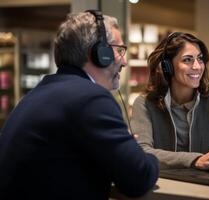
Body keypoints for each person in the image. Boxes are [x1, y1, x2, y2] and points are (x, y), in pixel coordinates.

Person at [0, 10, 158, 200]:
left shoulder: (40, 92)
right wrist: (143, 154)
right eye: (119, 50)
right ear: (101, 53)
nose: (124, 61)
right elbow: (138, 178)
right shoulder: (91, 99)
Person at [130, 32, 209, 172]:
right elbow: (142, 152)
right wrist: (195, 160)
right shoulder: (144, 104)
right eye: (187, 60)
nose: (197, 66)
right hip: (163, 187)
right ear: (167, 66)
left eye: (200, 59)